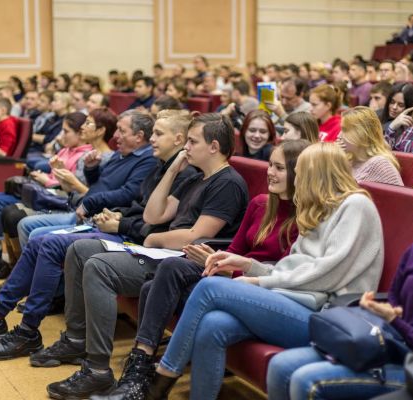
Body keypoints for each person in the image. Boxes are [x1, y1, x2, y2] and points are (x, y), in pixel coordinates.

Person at [142, 143, 384, 400]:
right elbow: (292, 267)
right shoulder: (318, 207)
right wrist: (249, 265)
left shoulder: (355, 205)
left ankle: (161, 380)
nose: (297, 180)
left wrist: (258, 281)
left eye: (300, 173)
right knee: (213, 324)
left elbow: (326, 273)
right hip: (298, 300)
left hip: (329, 317)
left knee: (210, 287)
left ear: (319, 174)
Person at [0, 110, 196, 359]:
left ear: (178, 139)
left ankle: (27, 332)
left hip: (138, 243)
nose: (152, 138)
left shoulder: (183, 173)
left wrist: (120, 223)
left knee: (50, 243)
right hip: (121, 227)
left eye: (158, 133)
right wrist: (118, 215)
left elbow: (159, 225)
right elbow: (138, 206)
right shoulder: (160, 166)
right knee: (39, 242)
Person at [42, 113, 249, 399]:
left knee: (99, 266)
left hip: (181, 260)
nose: (186, 147)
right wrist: (174, 170)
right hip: (162, 251)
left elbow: (195, 237)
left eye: (192, 141)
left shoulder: (227, 183)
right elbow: (154, 214)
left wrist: (154, 238)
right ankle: (77, 338)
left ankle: (97, 369)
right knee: (79, 249)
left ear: (213, 146)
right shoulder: (196, 178)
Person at [95, 140, 310, 400]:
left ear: (299, 174)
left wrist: (231, 270)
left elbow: (281, 274)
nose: (270, 172)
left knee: (161, 281)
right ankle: (142, 372)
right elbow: (234, 247)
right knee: (160, 280)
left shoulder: (304, 220)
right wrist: (213, 258)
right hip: (228, 274)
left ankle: (140, 374)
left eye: (279, 168)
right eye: (270, 165)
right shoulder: (261, 203)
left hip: (256, 288)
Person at [268, 160, 413, 400]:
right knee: (281, 365)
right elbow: (397, 306)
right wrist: (383, 311)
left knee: (306, 380)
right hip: (387, 345)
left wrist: (394, 319)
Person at [14, 110, 157, 247]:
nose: (115, 135)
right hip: (83, 208)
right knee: (25, 224)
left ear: (139, 136)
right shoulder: (121, 153)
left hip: (99, 217)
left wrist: (89, 202)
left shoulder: (147, 159)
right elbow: (98, 182)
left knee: (36, 235)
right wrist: (91, 168)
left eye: (121, 130)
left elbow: (128, 194)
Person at [0, 112, 92, 279]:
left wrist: (46, 180)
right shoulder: (66, 150)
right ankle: (2, 255)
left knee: (8, 211)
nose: (62, 135)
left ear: (80, 133)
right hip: (45, 192)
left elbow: (72, 188)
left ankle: (14, 267)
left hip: (58, 199)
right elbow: (56, 176)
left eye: (66, 131)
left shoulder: (85, 156)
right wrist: (44, 177)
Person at [337, 107, 403, 185]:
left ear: (362, 134)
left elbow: (400, 196)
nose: (339, 136)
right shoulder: (347, 160)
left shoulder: (381, 164)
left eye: (345, 130)